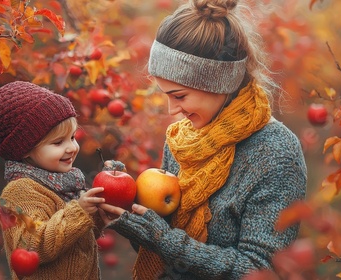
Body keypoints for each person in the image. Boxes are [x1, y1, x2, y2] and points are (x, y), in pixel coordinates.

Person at [98, 0, 307, 279]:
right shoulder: (184, 138)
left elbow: (262, 270)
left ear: (220, 82)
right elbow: (164, 253)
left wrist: (162, 239)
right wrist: (127, 204)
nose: (172, 110)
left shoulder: (276, 152)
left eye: (180, 96)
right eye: (166, 95)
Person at [0, 81, 105, 280]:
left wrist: (98, 215)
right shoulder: (21, 191)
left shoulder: (65, 183)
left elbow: (76, 241)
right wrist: (79, 212)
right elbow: (34, 245)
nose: (71, 147)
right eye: (58, 142)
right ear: (25, 149)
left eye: (72, 137)